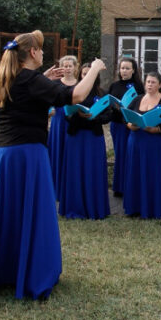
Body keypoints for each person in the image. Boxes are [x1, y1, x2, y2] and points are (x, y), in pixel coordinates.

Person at [0, 30, 105, 300]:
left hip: (4, 154)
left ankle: (6, 270)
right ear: (33, 53)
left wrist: (44, 79)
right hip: (26, 154)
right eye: (41, 49)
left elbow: (26, 97)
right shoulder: (30, 79)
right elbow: (77, 96)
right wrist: (93, 69)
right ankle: (33, 275)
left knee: (9, 213)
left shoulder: (9, 76)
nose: (44, 53)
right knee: (34, 212)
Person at [123, 71, 161, 219]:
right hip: (137, 143)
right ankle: (136, 206)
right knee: (136, 173)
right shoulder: (137, 99)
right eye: (148, 82)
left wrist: (158, 129)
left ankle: (156, 206)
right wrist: (130, 125)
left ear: (160, 84)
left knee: (155, 174)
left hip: (156, 145)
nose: (150, 85)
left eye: (153, 82)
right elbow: (126, 115)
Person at [58, 63, 110, 219]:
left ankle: (94, 208)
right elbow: (67, 114)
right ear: (80, 75)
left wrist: (96, 116)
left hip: (94, 138)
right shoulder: (73, 93)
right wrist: (77, 114)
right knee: (75, 170)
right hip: (76, 136)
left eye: (90, 73)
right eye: (84, 74)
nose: (87, 76)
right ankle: (75, 207)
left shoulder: (102, 94)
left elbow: (108, 115)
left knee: (93, 171)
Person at [106, 57, 143, 196]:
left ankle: (132, 186)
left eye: (127, 68)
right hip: (117, 124)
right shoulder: (114, 85)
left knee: (132, 155)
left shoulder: (139, 86)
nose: (124, 71)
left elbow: (143, 105)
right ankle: (119, 187)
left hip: (132, 125)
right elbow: (108, 104)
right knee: (120, 155)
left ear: (133, 70)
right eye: (122, 68)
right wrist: (115, 107)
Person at [47, 55, 79, 195]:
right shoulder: (54, 84)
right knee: (57, 152)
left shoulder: (80, 84)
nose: (67, 69)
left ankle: (70, 188)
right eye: (64, 66)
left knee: (71, 154)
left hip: (74, 121)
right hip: (58, 121)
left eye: (70, 66)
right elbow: (46, 101)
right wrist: (49, 110)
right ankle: (56, 188)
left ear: (75, 67)